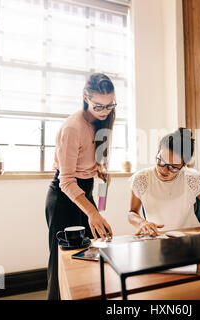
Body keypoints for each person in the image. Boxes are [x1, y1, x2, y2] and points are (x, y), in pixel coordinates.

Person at [45, 73, 116, 300]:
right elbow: (66, 179)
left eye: (110, 105)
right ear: (85, 98)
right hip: (64, 197)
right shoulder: (72, 128)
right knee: (63, 263)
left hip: (85, 190)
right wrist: (93, 213)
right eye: (99, 106)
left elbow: (86, 160)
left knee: (92, 253)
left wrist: (99, 170)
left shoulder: (104, 121)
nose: (105, 110)